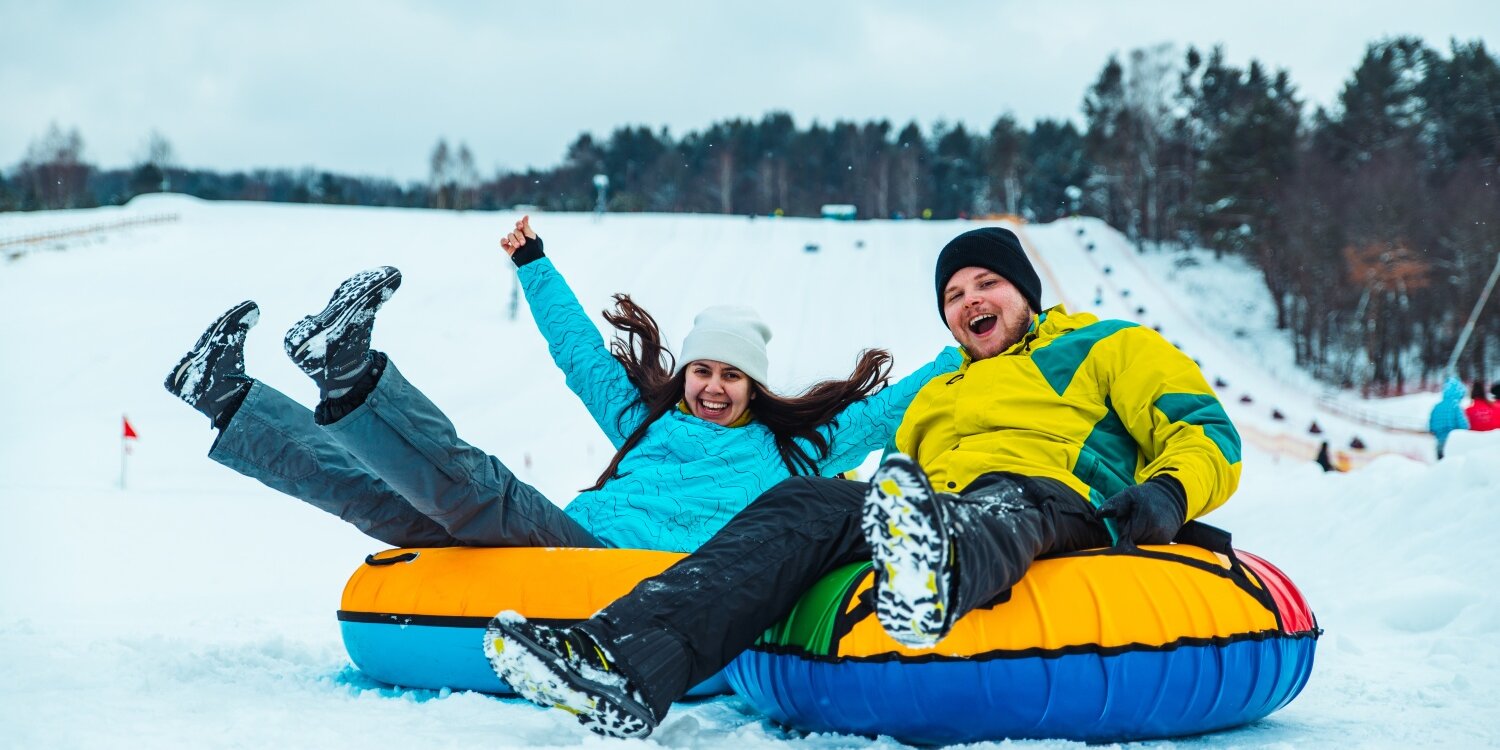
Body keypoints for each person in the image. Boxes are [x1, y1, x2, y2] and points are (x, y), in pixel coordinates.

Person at [484, 226, 1243, 739]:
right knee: (804, 500)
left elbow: (1206, 432)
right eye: (954, 295)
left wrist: (1168, 495)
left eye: (988, 284)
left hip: (1054, 498)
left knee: (1005, 499)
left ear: (1025, 291)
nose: (971, 301)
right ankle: (619, 662)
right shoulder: (941, 394)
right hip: (939, 503)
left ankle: (935, 576)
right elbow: (889, 488)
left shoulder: (1107, 345)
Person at [162, 217, 960, 553]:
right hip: (562, 546)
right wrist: (533, 264)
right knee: (383, 495)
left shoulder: (795, 453)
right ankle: (228, 396)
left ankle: (349, 369)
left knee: (482, 488)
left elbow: (897, 404)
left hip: (608, 569)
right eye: (702, 370)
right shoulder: (646, 424)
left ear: (754, 386)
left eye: (731, 376)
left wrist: (972, 347)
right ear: (685, 374)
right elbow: (581, 355)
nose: (713, 387)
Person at [1428, 377, 1469, 460]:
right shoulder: (1456, 407)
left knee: (1442, 466)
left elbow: (1431, 426)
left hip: (1439, 443)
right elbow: (1464, 426)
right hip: (1453, 444)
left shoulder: (1437, 407)